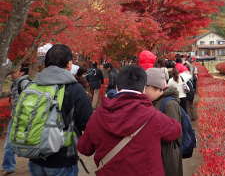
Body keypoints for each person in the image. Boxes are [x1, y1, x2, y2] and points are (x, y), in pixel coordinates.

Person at [77, 65, 182, 176]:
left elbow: (84, 148)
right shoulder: (153, 116)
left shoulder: (99, 115)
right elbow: (176, 130)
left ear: (117, 87)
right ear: (143, 89)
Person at [28, 44, 92, 176]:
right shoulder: (75, 89)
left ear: (46, 64)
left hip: (35, 157)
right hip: (62, 159)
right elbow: (88, 122)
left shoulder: (33, 86)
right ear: (69, 64)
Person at [145, 68, 183, 176]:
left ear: (157, 88)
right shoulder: (155, 102)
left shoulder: (169, 104)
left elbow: (175, 134)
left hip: (168, 156)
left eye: (147, 87)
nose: (144, 91)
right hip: (160, 154)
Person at [2, 66, 31, 176]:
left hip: (21, 119)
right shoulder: (16, 83)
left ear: (21, 72)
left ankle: (9, 167)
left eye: (15, 71)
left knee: (11, 144)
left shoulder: (24, 83)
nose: (11, 74)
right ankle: (9, 166)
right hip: (16, 118)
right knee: (17, 143)